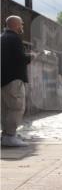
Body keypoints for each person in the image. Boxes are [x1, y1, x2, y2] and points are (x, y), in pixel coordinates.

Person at [1, 15, 32, 147]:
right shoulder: (14, 39)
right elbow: (20, 59)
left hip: (2, 80)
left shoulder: (2, 38)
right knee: (17, 108)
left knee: (5, 109)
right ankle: (10, 136)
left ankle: (6, 135)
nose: (22, 27)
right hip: (14, 79)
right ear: (15, 25)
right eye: (21, 24)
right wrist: (31, 56)